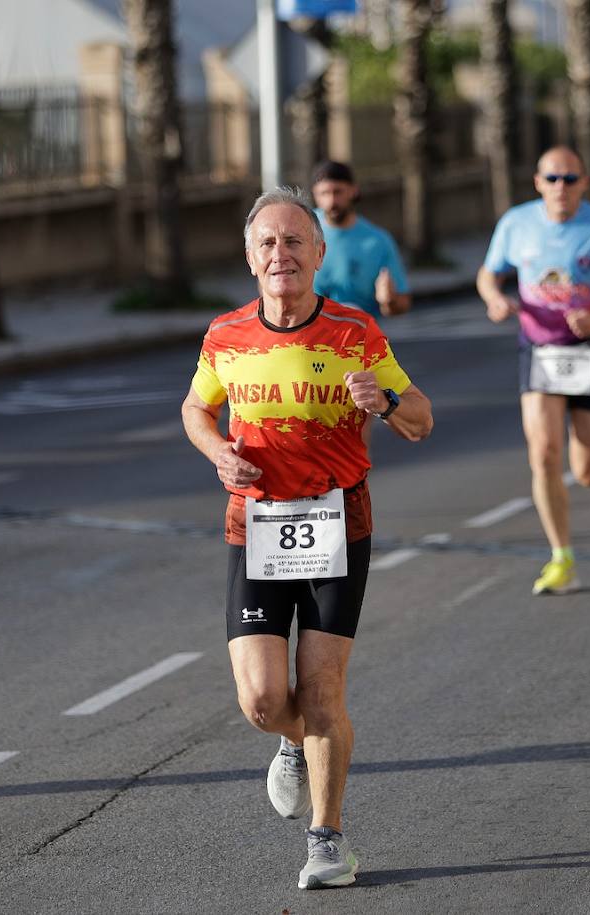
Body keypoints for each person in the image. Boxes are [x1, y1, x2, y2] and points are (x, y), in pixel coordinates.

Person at [180, 187, 433, 890]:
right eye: (268, 243)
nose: (281, 254)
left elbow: (421, 416)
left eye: (295, 241)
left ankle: (329, 839)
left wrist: (381, 400)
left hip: (336, 524)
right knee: (262, 699)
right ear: (250, 256)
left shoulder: (355, 332)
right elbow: (195, 409)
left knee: (322, 689)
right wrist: (215, 451)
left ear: (319, 254)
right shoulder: (226, 336)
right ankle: (293, 742)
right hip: (254, 524)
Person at [476, 145, 590, 595]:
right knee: (544, 453)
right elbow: (489, 274)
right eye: (552, 179)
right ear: (537, 182)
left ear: (585, 182)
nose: (560, 187)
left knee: (586, 466)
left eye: (570, 179)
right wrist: (494, 297)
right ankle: (561, 556)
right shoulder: (517, 223)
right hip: (539, 350)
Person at [309, 160, 412, 319]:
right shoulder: (301, 229)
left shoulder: (377, 242)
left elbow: (402, 303)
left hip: (359, 338)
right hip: (310, 338)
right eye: (324, 193)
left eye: (338, 192)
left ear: (353, 191)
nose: (332, 201)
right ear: (315, 195)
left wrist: (389, 301)